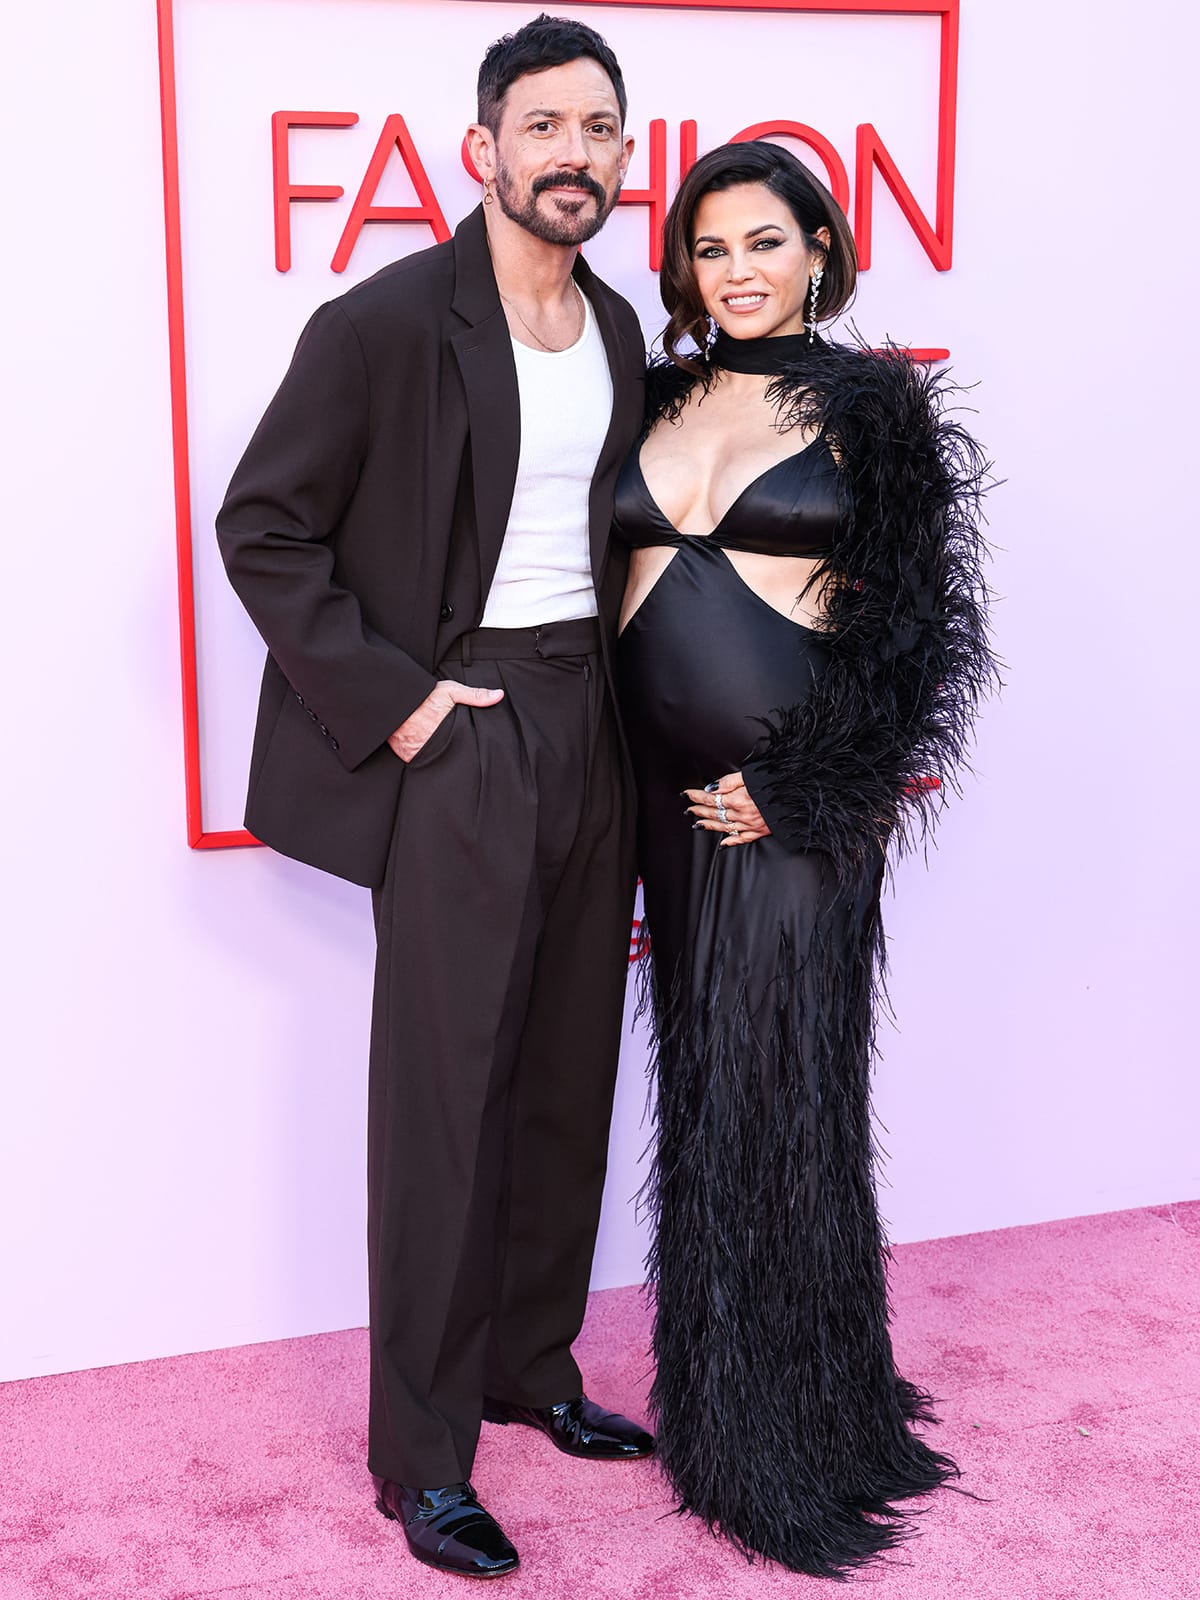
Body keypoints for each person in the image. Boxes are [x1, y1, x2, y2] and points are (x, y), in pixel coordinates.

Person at [216, 15, 654, 1581]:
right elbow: (261, 526)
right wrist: (402, 708)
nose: (572, 155)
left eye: (598, 130)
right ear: (483, 151)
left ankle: (530, 1368)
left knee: (563, 1073)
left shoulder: (620, 327)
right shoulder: (389, 320)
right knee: (441, 1099)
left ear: (624, 154)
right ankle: (422, 1457)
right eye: (543, 128)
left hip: (590, 720)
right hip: (460, 725)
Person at [613, 140, 995, 1577]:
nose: (739, 272)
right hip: (663, 808)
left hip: (787, 811)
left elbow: (913, 638)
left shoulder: (877, 409)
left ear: (821, 250)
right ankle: (732, 1409)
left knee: (782, 1088)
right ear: (685, 271)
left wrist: (802, 786)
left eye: (764, 243)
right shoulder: (648, 398)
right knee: (707, 1082)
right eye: (711, 250)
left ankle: (786, 1437)